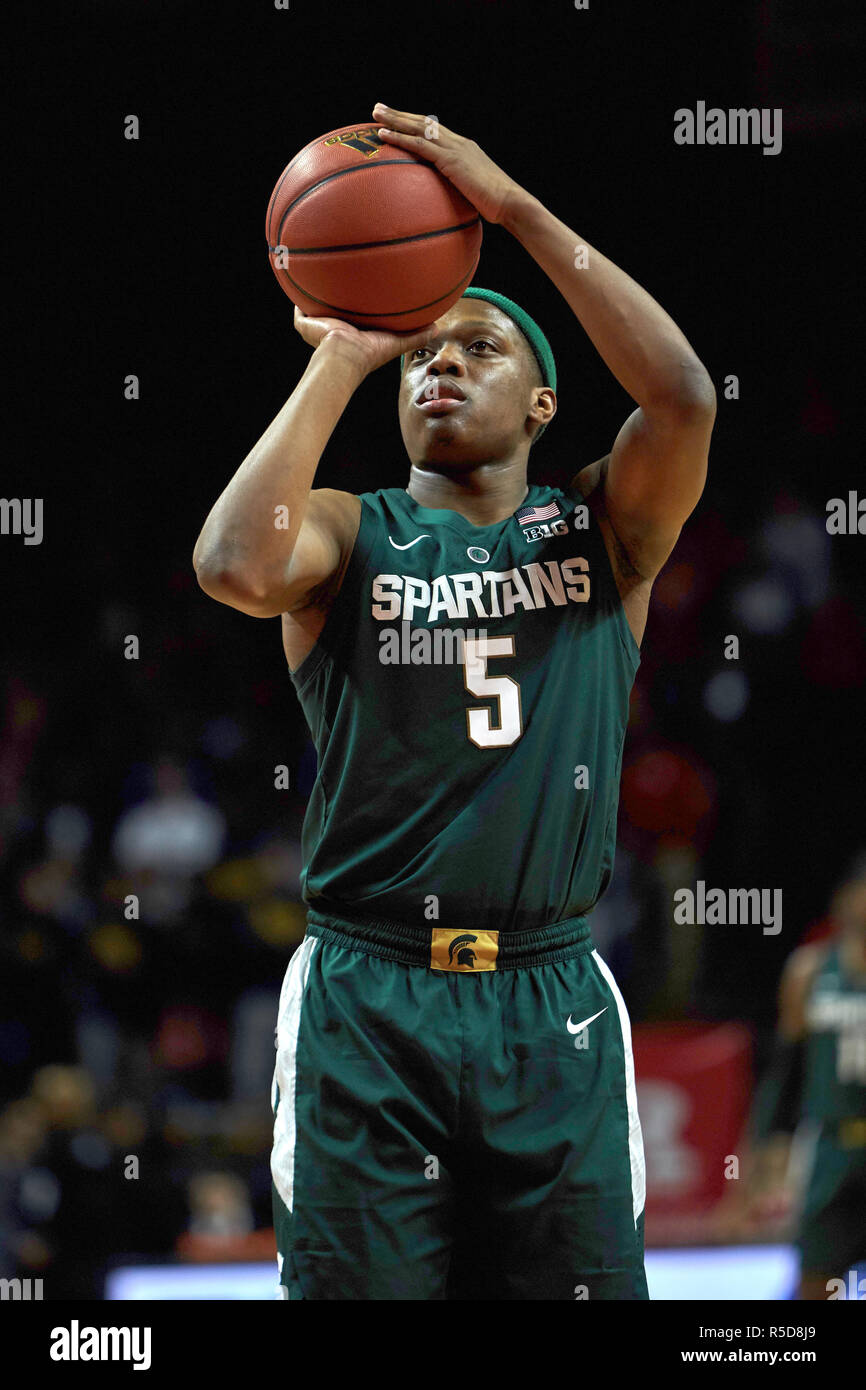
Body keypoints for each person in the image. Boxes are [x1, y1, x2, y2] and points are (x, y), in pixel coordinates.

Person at [193, 103, 716, 1300]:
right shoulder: (348, 530)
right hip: (366, 994)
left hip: (549, 996)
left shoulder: (598, 528)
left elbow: (682, 396)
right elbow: (232, 566)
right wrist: (342, 350)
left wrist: (512, 208)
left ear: (541, 406)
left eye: (480, 348)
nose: (444, 361)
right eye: (426, 350)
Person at [738, 857, 866, 1300]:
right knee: (814, 1282)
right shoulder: (810, 971)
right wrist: (766, 1148)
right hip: (830, 1146)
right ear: (842, 900)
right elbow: (785, 1072)